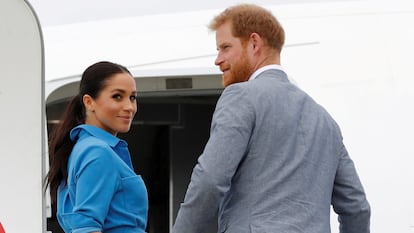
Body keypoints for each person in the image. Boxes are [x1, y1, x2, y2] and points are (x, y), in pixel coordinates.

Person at [172, 4, 370, 233]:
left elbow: (209, 181)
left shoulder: (240, 96)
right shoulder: (324, 120)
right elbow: (357, 208)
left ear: (254, 43)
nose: (218, 59)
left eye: (225, 47)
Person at [45, 61, 148, 233]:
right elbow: (86, 227)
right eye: (117, 96)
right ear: (89, 102)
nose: (129, 107)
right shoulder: (97, 151)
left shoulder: (83, 147)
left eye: (132, 97)